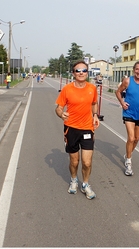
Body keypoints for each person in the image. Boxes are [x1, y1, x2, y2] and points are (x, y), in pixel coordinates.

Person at [55, 60, 100, 200]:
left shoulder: (92, 88)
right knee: (74, 161)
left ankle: (85, 184)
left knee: (87, 162)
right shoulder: (67, 89)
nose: (81, 73)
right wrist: (61, 114)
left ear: (87, 73)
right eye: (78, 70)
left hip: (87, 128)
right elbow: (58, 108)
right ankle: (74, 179)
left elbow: (94, 103)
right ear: (74, 73)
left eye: (84, 70)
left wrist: (95, 115)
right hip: (71, 128)